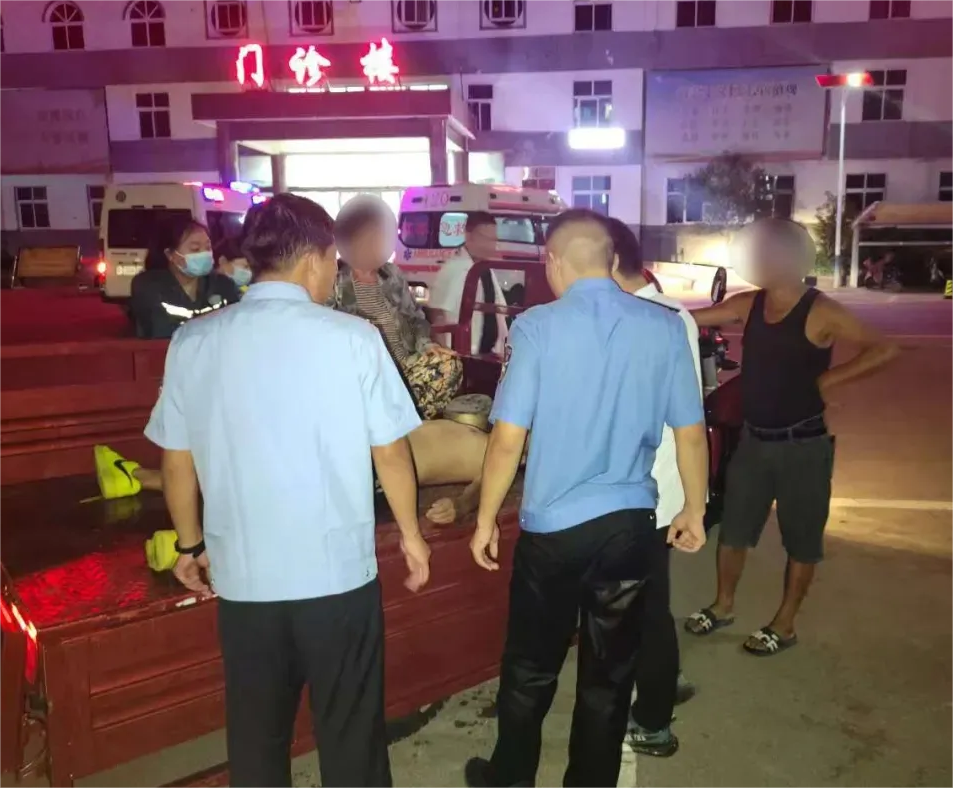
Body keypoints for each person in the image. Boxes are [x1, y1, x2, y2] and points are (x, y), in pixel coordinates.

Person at [144, 192, 430, 788]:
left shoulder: (195, 341)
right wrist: (411, 536)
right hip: (336, 580)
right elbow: (390, 453)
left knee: (256, 737)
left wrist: (190, 546)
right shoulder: (352, 337)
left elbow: (177, 458)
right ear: (314, 259)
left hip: (244, 581)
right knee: (351, 735)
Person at [465, 210, 709, 788]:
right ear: (611, 259)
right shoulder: (665, 326)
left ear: (552, 261)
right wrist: (694, 509)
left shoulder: (536, 327)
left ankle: (511, 778)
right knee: (609, 674)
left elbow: (507, 439)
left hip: (554, 531)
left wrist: (485, 519)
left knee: (530, 666)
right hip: (629, 527)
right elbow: (691, 433)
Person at [686, 218, 898, 656]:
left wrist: (829, 380)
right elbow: (689, 320)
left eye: (766, 253)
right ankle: (723, 606)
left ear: (789, 258)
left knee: (801, 541)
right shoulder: (750, 304)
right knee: (734, 531)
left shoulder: (820, 310)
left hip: (803, 445)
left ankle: (784, 625)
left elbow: (884, 348)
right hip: (753, 441)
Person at [606, 217, 702, 754]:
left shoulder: (649, 318)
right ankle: (664, 683)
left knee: (643, 608)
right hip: (657, 485)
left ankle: (653, 720)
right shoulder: (670, 313)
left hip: (646, 488)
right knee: (650, 599)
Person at [95, 415, 491, 525]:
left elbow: (487, 482)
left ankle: (137, 479)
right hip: (366, 447)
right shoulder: (499, 433)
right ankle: (137, 478)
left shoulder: (508, 451)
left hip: (371, 466)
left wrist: (461, 505)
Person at [331, 195, 463, 419]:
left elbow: (416, 317)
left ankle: (400, 418)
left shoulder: (392, 275)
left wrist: (427, 345)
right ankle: (397, 419)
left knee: (450, 364)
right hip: (366, 373)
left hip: (406, 364)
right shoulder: (335, 281)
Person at [129, 216, 241, 339]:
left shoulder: (223, 285)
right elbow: (156, 330)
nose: (204, 254)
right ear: (170, 254)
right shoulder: (149, 287)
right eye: (195, 249)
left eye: (208, 248)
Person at [428, 211, 509, 355]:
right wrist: (446, 356)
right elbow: (438, 315)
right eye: (486, 239)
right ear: (468, 236)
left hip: (488, 355)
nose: (491, 246)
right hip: (462, 354)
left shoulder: (485, 269)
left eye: (494, 240)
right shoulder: (453, 269)